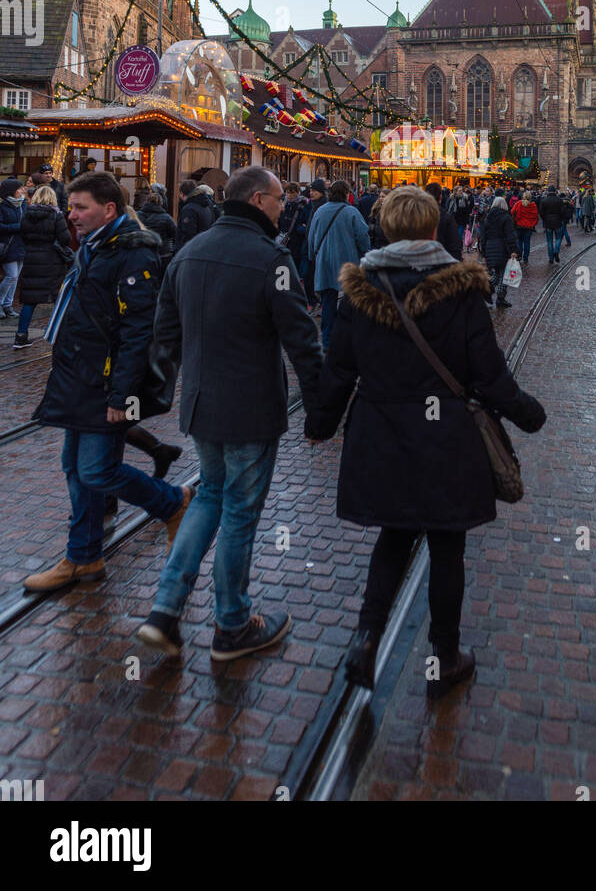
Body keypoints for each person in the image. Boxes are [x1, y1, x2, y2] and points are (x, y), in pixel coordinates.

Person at [310, 186, 546, 698]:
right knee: (446, 546)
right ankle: (445, 654)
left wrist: (322, 422)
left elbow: (339, 368)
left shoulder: (360, 289)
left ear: (386, 227)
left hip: (381, 432)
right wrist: (528, 414)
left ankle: (366, 642)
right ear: (434, 226)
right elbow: (490, 377)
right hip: (446, 437)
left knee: (392, 539)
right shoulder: (460, 290)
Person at [137, 166, 325, 659]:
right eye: (281, 199)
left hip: (201, 404)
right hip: (251, 408)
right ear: (260, 200)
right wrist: (321, 408)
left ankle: (165, 610)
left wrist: (163, 390)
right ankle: (233, 624)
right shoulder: (272, 259)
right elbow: (303, 341)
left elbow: (165, 335)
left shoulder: (187, 253)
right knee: (239, 513)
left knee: (207, 498)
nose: (285, 207)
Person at [22, 173, 192, 594]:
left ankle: (173, 503)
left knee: (97, 470)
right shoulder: (97, 245)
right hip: (78, 375)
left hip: (104, 381)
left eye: (80, 207)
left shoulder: (133, 253)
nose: (71, 214)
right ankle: (83, 556)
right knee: (75, 470)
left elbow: (138, 331)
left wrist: (122, 394)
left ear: (108, 209)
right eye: (72, 206)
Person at [307, 179, 370, 350]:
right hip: (347, 263)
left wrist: (313, 256)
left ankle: (327, 340)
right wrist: (366, 254)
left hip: (325, 261)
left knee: (328, 301)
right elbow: (363, 236)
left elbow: (311, 237)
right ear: (347, 193)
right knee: (349, 303)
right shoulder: (351, 212)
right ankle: (347, 339)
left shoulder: (320, 211)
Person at [12, 184, 71, 349]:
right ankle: (59, 334)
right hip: (51, 260)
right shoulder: (56, 215)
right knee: (57, 299)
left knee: (29, 301)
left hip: (31, 259)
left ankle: (21, 335)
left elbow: (23, 235)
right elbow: (65, 238)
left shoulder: (27, 214)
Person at [479, 195, 518, 308]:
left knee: (497, 272)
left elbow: (483, 236)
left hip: (491, 246)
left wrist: (484, 250)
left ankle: (487, 289)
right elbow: (510, 235)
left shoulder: (487, 217)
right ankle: (499, 297)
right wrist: (513, 249)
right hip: (502, 247)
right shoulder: (506, 217)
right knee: (504, 275)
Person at [0, 177, 27, 317]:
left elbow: (27, 221)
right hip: (8, 245)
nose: (22, 190)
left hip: (21, 244)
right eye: (19, 188)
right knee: (11, 275)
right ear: (12, 191)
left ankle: (7, 305)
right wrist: (18, 227)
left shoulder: (23, 204)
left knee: (15, 277)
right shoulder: (3, 207)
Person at [136, 186, 177, 274]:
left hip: (143, 253)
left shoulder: (138, 216)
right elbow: (175, 234)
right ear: (161, 204)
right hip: (163, 254)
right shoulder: (166, 218)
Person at [424, 182, 463, 260]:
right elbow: (454, 245)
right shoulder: (446, 217)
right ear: (440, 197)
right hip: (442, 259)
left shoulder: (417, 215)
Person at [176, 179, 216, 248]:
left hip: (190, 250)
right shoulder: (206, 205)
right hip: (203, 247)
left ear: (182, 193)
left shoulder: (189, 209)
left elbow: (188, 234)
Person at [540, 185, 567, 264]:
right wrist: (561, 218)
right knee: (558, 238)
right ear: (555, 191)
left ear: (548, 191)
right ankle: (556, 250)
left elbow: (541, 212)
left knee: (549, 241)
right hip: (558, 222)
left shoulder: (544, 200)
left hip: (548, 222)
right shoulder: (559, 200)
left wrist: (545, 219)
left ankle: (551, 258)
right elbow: (563, 211)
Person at [512, 189, 539, 265]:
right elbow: (536, 216)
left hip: (519, 226)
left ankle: (519, 256)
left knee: (519, 241)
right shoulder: (533, 205)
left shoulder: (518, 203)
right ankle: (526, 258)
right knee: (527, 242)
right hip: (529, 227)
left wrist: (515, 219)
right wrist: (533, 224)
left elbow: (512, 212)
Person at [449, 183, 475, 248]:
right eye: (459, 190)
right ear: (455, 191)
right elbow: (448, 210)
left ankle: (459, 249)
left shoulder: (464, 199)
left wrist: (467, 223)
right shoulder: (451, 199)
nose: (461, 192)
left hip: (461, 221)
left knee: (459, 236)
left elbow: (467, 212)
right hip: (453, 221)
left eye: (461, 190)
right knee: (453, 236)